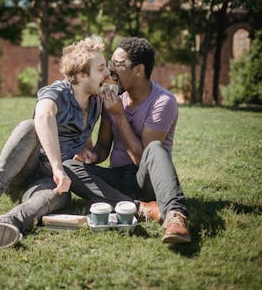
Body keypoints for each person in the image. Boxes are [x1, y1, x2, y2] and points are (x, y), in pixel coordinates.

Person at [0, 35, 110, 248]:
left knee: (58, 197)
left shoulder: (96, 101)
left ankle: (5, 224)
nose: (107, 72)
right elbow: (43, 117)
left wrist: (87, 153)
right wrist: (58, 168)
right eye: (101, 68)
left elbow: (83, 136)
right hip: (26, 166)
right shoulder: (57, 92)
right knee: (29, 127)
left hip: (51, 181)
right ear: (81, 74)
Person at [63, 37, 191, 244]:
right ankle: (140, 207)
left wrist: (120, 116)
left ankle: (176, 216)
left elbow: (143, 160)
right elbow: (104, 146)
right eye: (110, 64)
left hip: (147, 180)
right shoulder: (114, 97)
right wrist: (92, 156)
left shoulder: (162, 101)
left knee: (156, 148)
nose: (110, 71)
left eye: (118, 65)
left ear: (139, 70)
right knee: (67, 167)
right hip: (119, 177)